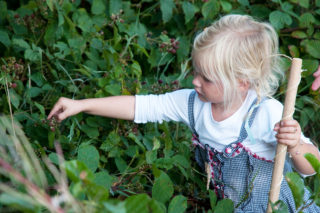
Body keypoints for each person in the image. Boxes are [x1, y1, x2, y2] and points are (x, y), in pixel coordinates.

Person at [48, 15, 320, 212]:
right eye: (196, 72)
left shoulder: (265, 112)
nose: (195, 82)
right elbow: (141, 107)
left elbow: (311, 168)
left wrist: (295, 145)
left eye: (207, 78)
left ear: (242, 83)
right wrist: (81, 104)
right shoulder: (193, 103)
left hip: (283, 207)